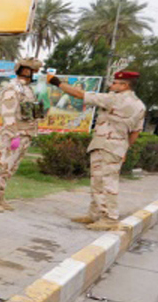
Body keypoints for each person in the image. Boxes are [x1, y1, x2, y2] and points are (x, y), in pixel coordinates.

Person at [47, 70, 147, 230]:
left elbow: (80, 94)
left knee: (107, 183)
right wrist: (124, 149)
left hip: (106, 145)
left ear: (125, 85)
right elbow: (135, 132)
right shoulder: (140, 105)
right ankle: (94, 214)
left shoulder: (114, 98)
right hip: (114, 147)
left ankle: (110, 219)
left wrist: (57, 82)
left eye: (115, 83)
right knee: (98, 181)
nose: (112, 85)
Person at [0, 59, 44, 212]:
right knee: (1, 166)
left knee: (10, 168)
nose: (29, 73)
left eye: (31, 71)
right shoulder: (12, 87)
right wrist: (13, 134)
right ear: (19, 69)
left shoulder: (27, 89)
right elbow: (8, 113)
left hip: (25, 134)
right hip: (13, 135)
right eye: (26, 70)